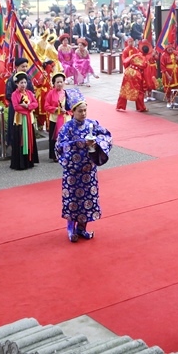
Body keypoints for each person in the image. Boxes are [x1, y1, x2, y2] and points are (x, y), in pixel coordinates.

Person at [55, 90, 112, 242]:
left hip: (88, 171)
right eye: (80, 111)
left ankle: (82, 229)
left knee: (87, 200)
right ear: (72, 111)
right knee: (73, 200)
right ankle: (71, 229)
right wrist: (80, 143)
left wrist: (97, 143)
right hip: (73, 172)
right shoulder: (67, 128)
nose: (83, 113)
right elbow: (60, 146)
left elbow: (107, 135)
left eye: (85, 110)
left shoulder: (92, 124)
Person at [10, 71, 39, 170]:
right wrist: (27, 109)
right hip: (20, 121)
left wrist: (27, 106)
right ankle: (20, 163)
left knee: (30, 139)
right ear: (17, 83)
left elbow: (36, 104)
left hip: (29, 120)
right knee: (20, 141)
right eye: (21, 83)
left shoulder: (29, 93)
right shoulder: (14, 94)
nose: (23, 85)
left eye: (25, 82)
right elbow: (16, 107)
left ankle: (29, 161)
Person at [44, 72, 72, 161]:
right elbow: (46, 106)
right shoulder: (50, 93)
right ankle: (55, 155)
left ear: (64, 82)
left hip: (66, 119)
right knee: (54, 138)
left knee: (66, 137)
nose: (59, 84)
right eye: (57, 82)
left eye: (61, 82)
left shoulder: (68, 93)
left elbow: (72, 107)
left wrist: (67, 111)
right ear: (54, 83)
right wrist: (56, 109)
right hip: (55, 119)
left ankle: (66, 153)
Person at [5, 57, 31, 145]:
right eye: (22, 66)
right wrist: (18, 101)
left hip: (27, 109)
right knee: (15, 129)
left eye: (26, 66)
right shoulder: (11, 80)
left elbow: (32, 92)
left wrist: (28, 103)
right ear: (16, 67)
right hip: (15, 109)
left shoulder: (28, 79)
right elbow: (8, 95)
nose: (25, 68)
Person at [116, 43, 148, 112]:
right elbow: (144, 69)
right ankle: (141, 107)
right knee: (140, 90)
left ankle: (120, 106)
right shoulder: (145, 59)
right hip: (136, 74)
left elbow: (126, 61)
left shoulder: (135, 54)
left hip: (129, 71)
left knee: (124, 89)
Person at [160, 43, 178, 108]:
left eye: (171, 48)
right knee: (168, 88)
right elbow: (162, 67)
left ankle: (173, 100)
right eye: (169, 48)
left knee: (175, 88)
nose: (170, 50)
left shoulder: (175, 54)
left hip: (175, 73)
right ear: (166, 49)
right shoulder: (163, 55)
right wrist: (168, 76)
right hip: (168, 74)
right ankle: (168, 101)